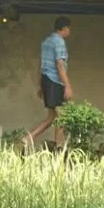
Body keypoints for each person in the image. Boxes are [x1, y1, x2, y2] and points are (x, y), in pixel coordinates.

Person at [26, 17, 73, 148]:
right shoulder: (59, 42)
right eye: (69, 29)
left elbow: (41, 64)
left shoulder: (46, 42)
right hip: (55, 81)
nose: (69, 31)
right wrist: (67, 85)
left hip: (47, 80)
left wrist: (40, 84)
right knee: (61, 116)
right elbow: (59, 64)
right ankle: (59, 146)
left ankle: (29, 138)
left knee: (52, 117)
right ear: (64, 28)